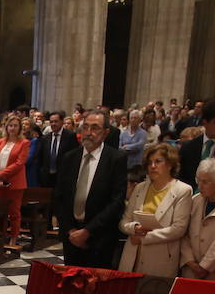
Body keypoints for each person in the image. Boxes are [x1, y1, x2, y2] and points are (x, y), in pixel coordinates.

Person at [54, 111, 129, 269]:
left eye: (95, 128)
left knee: (96, 287)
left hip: (100, 236)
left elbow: (116, 202)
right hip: (71, 235)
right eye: (85, 127)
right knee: (71, 284)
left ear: (106, 132)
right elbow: (59, 197)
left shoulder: (116, 159)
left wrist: (87, 231)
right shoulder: (69, 158)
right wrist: (70, 230)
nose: (89, 133)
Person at [119, 143, 194, 276]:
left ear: (170, 164)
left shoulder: (183, 190)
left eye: (158, 161)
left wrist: (144, 238)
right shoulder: (139, 188)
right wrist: (134, 228)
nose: (153, 166)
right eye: (149, 163)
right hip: (132, 254)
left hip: (160, 258)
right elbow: (124, 221)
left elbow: (178, 229)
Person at [0, 115, 30, 245]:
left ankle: (13, 237)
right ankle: (1, 235)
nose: (12, 128)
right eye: (10, 125)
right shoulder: (1, 141)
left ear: (19, 128)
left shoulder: (24, 143)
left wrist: (2, 174)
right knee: (0, 210)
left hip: (14, 182)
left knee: (14, 212)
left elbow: (19, 163)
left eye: (15, 126)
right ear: (6, 127)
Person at [34, 112, 79, 189]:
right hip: (46, 177)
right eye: (51, 122)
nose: (53, 124)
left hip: (62, 176)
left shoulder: (70, 136)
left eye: (56, 121)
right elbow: (40, 157)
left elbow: (75, 156)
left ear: (62, 122)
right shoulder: (45, 138)